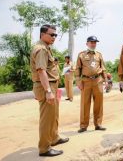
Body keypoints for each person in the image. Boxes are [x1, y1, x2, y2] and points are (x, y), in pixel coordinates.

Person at [30, 24, 69, 157]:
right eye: (51, 34)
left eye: (55, 35)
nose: (54, 37)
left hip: (52, 85)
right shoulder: (41, 49)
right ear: (42, 34)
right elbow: (41, 71)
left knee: (53, 115)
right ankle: (44, 148)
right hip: (46, 86)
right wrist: (48, 91)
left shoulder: (47, 48)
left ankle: (54, 138)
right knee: (47, 118)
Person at [75, 36, 109, 133]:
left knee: (98, 103)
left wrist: (106, 80)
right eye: (91, 42)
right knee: (85, 103)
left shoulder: (99, 55)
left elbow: (103, 68)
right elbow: (77, 69)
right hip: (86, 81)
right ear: (87, 43)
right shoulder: (81, 55)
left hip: (98, 80)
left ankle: (98, 124)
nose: (93, 44)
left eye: (95, 42)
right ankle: (83, 125)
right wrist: (78, 82)